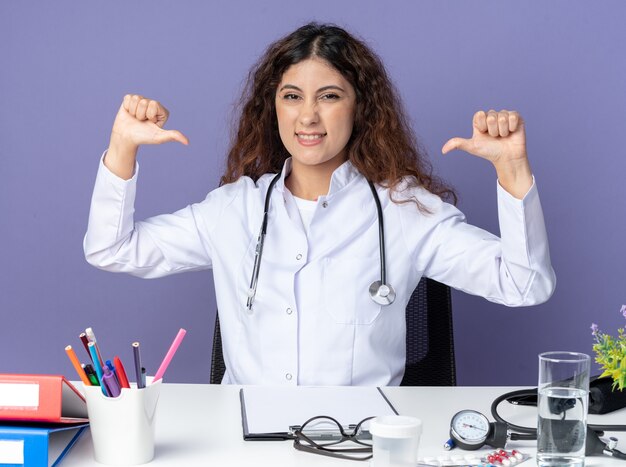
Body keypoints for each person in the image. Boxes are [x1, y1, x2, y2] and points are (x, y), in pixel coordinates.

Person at [84, 23, 556, 386]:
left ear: (360, 108)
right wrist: (122, 147)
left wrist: (511, 169)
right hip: (243, 445)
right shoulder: (233, 210)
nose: (307, 116)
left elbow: (524, 285)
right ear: (275, 108)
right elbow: (111, 249)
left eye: (329, 96)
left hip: (362, 442)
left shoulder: (404, 210)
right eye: (292, 97)